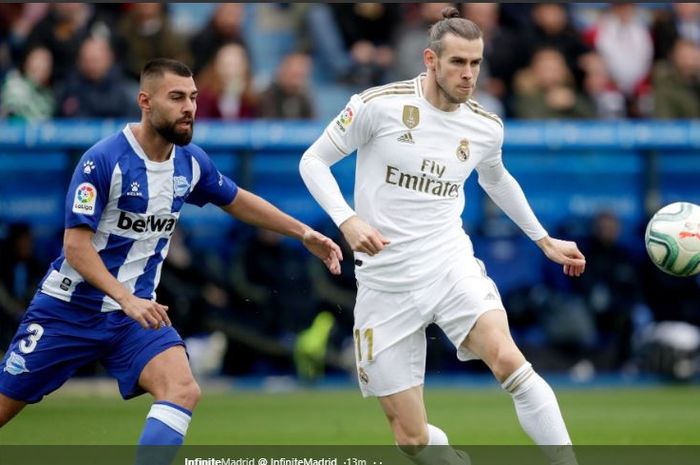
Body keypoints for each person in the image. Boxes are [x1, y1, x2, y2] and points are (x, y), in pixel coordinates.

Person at [0, 58, 342, 460]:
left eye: (194, 98)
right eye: (177, 97)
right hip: (69, 311)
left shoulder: (190, 161)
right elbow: (76, 248)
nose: (189, 108)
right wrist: (126, 298)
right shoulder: (103, 161)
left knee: (182, 388)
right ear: (145, 101)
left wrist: (303, 232)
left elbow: (235, 199)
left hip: (134, 318)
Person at [299, 8, 584, 465]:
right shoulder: (378, 105)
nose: (469, 74)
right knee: (410, 438)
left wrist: (544, 240)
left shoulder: (485, 126)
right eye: (458, 63)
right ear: (430, 60)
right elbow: (312, 162)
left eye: (475, 63)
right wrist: (347, 220)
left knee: (510, 360)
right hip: (385, 284)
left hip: (449, 266)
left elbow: (497, 179)